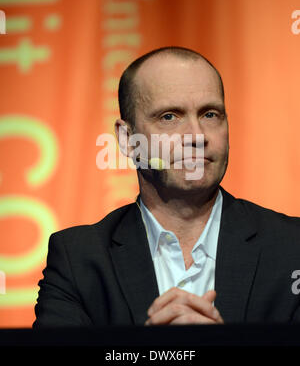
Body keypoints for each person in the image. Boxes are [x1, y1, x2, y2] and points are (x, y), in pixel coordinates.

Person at [33, 46, 300, 327]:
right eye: (169, 117)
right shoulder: (79, 260)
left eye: (210, 114)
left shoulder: (292, 248)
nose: (197, 136)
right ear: (127, 139)